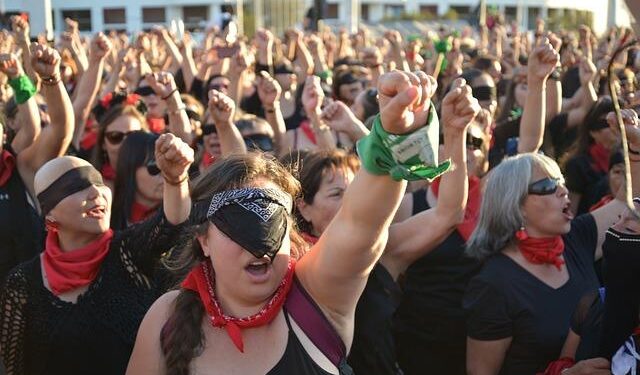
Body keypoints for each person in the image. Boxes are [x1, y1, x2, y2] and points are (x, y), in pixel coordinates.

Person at [124, 70, 453, 375]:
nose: (260, 244)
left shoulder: (316, 297)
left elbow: (360, 224)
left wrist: (394, 134)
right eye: (238, 224)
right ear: (204, 240)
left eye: (271, 221)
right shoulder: (167, 318)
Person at [463, 109, 640, 375]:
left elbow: (628, 202)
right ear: (515, 205)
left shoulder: (576, 238)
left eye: (561, 181)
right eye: (548, 186)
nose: (564, 191)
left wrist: (635, 146)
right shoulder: (493, 284)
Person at [0, 134, 194, 375]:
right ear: (50, 215)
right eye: (76, 187)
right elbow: (15, 368)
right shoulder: (23, 284)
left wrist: (175, 180)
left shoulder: (129, 252)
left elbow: (171, 225)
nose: (95, 192)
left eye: (98, 182)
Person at [0, 45, 74, 285]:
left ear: (4, 133)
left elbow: (60, 128)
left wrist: (50, 78)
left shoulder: (18, 168)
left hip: (31, 308)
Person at [111, 131, 162, 230]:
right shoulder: (107, 216)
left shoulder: (183, 216)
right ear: (130, 168)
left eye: (169, 166)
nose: (166, 174)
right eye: (154, 167)